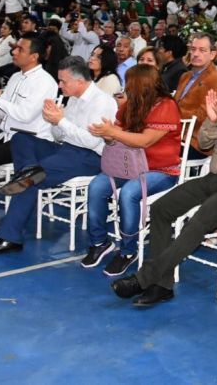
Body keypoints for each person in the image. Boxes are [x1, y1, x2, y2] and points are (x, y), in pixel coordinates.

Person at [109, 56, 217, 305]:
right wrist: (212, 119)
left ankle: (143, 279)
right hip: (214, 178)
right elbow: (206, 142)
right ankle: (162, 286)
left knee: (198, 221)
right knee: (161, 209)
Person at [0, 56, 118, 254]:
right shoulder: (73, 99)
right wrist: (54, 122)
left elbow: (91, 142)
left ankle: (10, 236)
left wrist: (60, 121)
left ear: (79, 81)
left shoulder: (102, 102)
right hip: (67, 149)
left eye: (63, 81)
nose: (60, 85)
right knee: (21, 139)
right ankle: (27, 172)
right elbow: (59, 136)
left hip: (90, 157)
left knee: (31, 179)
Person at [82, 64, 183, 275]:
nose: (125, 87)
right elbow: (115, 139)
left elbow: (145, 141)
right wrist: (107, 135)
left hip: (161, 170)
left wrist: (113, 133)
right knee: (96, 187)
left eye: (129, 82)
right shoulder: (131, 105)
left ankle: (128, 251)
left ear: (141, 85)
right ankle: (99, 242)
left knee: (128, 193)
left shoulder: (166, 106)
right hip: (129, 167)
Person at [0, 33, 59, 236]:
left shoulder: (44, 82)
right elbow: (2, 112)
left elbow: (24, 115)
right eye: (15, 48)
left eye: (20, 49)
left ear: (34, 56)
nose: (14, 52)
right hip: (8, 136)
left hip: (31, 140)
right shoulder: (16, 77)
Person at [173, 33, 217, 160]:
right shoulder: (185, 76)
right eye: (193, 49)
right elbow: (174, 103)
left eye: (202, 50)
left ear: (212, 55)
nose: (196, 54)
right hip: (175, 133)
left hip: (195, 141)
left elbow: (204, 115)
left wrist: (171, 115)